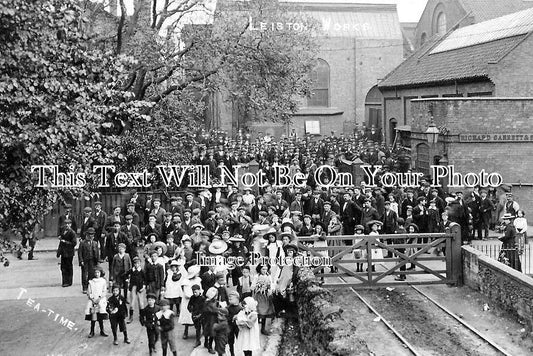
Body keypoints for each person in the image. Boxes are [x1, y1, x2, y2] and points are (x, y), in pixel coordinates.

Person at [84, 266, 108, 338]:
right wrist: (92, 299)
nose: (97, 274)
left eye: (98, 272)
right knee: (93, 317)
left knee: (100, 316)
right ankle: (92, 331)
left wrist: (100, 298)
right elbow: (89, 292)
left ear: (101, 273)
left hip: (100, 301)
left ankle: (102, 330)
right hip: (93, 301)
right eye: (96, 273)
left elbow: (104, 291)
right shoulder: (91, 282)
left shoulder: (103, 281)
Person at [180, 265, 202, 339]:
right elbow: (187, 293)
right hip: (188, 301)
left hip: (197, 300)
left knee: (198, 316)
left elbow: (200, 289)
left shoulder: (198, 280)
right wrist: (194, 296)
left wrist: (199, 294)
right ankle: (186, 332)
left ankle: (198, 333)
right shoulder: (186, 281)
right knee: (188, 317)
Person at [253, 264, 275, 335]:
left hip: (266, 296)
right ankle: (254, 329)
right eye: (263, 269)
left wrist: (270, 289)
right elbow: (253, 286)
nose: (264, 271)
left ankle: (263, 328)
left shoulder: (268, 276)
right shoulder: (257, 277)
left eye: (266, 269)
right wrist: (257, 287)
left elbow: (271, 285)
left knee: (264, 312)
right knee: (258, 311)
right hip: (259, 296)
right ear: (259, 269)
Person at [78, 227, 100, 294]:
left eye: (92, 234)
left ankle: (90, 287)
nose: (91, 236)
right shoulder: (83, 243)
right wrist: (81, 260)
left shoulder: (95, 243)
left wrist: (97, 260)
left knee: (91, 273)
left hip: (92, 260)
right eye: (90, 234)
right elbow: (80, 253)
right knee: (84, 274)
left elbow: (97, 252)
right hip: (85, 260)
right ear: (87, 234)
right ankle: (84, 287)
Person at [57, 219, 77, 287]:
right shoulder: (63, 231)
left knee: (68, 267)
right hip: (63, 252)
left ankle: (69, 281)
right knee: (63, 267)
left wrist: (65, 242)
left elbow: (74, 243)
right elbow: (61, 242)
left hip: (69, 252)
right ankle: (64, 281)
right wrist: (58, 252)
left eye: (68, 224)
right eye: (66, 224)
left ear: (71, 224)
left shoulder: (72, 232)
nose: (67, 225)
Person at [125, 256, 145, 324]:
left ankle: (142, 317)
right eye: (135, 263)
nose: (136, 265)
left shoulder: (141, 271)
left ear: (140, 263)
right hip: (133, 287)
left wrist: (144, 286)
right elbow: (125, 275)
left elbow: (145, 279)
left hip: (140, 287)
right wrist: (127, 280)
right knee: (132, 303)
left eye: (138, 263)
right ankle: (131, 317)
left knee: (141, 302)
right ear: (133, 264)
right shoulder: (131, 270)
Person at [203, 287, 220, 354]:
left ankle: (206, 343)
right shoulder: (208, 303)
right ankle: (210, 347)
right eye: (216, 295)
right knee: (211, 334)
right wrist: (219, 309)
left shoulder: (211, 301)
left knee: (210, 333)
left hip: (212, 320)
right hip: (210, 320)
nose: (217, 297)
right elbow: (213, 310)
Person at [227, 291, 242, 356]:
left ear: (237, 299)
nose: (229, 301)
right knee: (230, 341)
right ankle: (232, 353)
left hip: (237, 327)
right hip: (230, 327)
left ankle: (243, 352)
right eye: (229, 299)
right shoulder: (228, 308)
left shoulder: (240, 308)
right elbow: (226, 317)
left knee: (240, 340)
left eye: (231, 299)